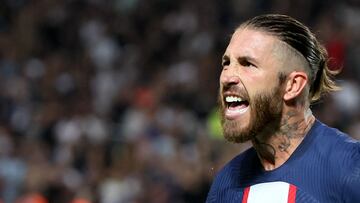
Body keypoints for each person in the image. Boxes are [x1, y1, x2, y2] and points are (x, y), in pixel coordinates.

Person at [206, 14, 360, 203]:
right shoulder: (225, 185)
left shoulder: (351, 168)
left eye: (247, 64)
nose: (227, 77)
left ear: (293, 86)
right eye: (227, 63)